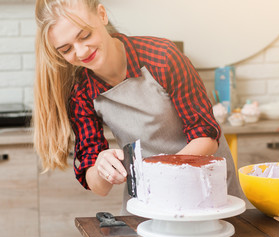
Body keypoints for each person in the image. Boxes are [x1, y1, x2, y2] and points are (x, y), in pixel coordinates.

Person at [33, 0, 241, 214]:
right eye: (66, 49)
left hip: (208, 193)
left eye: (85, 35)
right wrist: (101, 167)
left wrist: (160, 174)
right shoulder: (82, 93)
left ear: (102, 15)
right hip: (149, 198)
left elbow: (206, 137)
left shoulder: (162, 57)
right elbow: (98, 186)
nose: (81, 51)